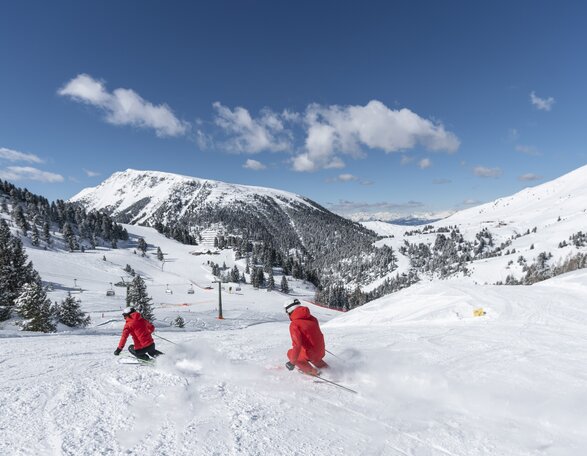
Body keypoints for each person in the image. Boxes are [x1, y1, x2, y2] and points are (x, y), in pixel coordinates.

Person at [284, 299, 328, 375]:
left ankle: (312, 372)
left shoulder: (295, 324)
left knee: (290, 353)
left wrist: (292, 363)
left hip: (311, 353)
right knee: (310, 353)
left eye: (287, 312)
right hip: (320, 350)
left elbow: (297, 346)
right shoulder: (313, 318)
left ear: (290, 311)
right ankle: (325, 368)